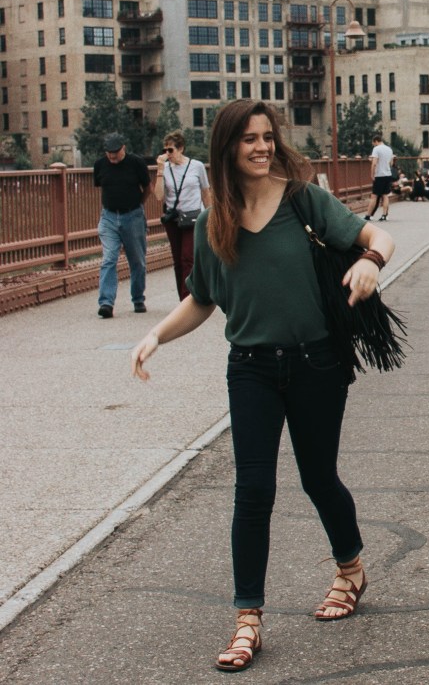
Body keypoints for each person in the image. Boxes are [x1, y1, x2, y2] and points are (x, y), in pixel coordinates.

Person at [129, 100, 395, 673]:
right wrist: (155, 336)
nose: (261, 147)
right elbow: (201, 299)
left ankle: (350, 569)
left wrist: (371, 260)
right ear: (226, 148)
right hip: (249, 366)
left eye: (267, 137)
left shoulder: (303, 200)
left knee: (318, 477)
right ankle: (247, 616)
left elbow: (376, 234)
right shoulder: (211, 222)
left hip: (316, 362)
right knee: (253, 490)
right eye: (248, 139)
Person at [93, 132, 151, 318]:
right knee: (109, 258)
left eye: (115, 153)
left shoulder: (136, 163)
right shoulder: (100, 165)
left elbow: (147, 188)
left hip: (132, 215)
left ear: (123, 148)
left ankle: (138, 298)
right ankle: (106, 303)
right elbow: (101, 186)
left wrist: (138, 206)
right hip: (109, 216)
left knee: (137, 261)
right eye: (109, 153)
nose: (112, 157)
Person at [154, 131, 210, 300]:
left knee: (187, 257)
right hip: (174, 219)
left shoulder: (196, 166)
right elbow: (158, 196)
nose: (167, 154)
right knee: (178, 260)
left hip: (193, 217)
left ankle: (188, 297)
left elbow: (205, 192)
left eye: (170, 150)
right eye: (165, 151)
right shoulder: (165, 169)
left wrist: (210, 215)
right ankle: (182, 297)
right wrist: (160, 170)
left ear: (181, 149)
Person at [364, 132, 394, 221]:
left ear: (376, 141)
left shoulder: (376, 149)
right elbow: (391, 163)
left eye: (373, 143)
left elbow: (374, 164)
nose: (373, 145)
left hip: (379, 175)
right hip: (388, 174)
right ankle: (384, 215)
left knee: (374, 196)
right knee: (385, 195)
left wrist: (372, 174)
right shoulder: (389, 149)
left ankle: (368, 215)